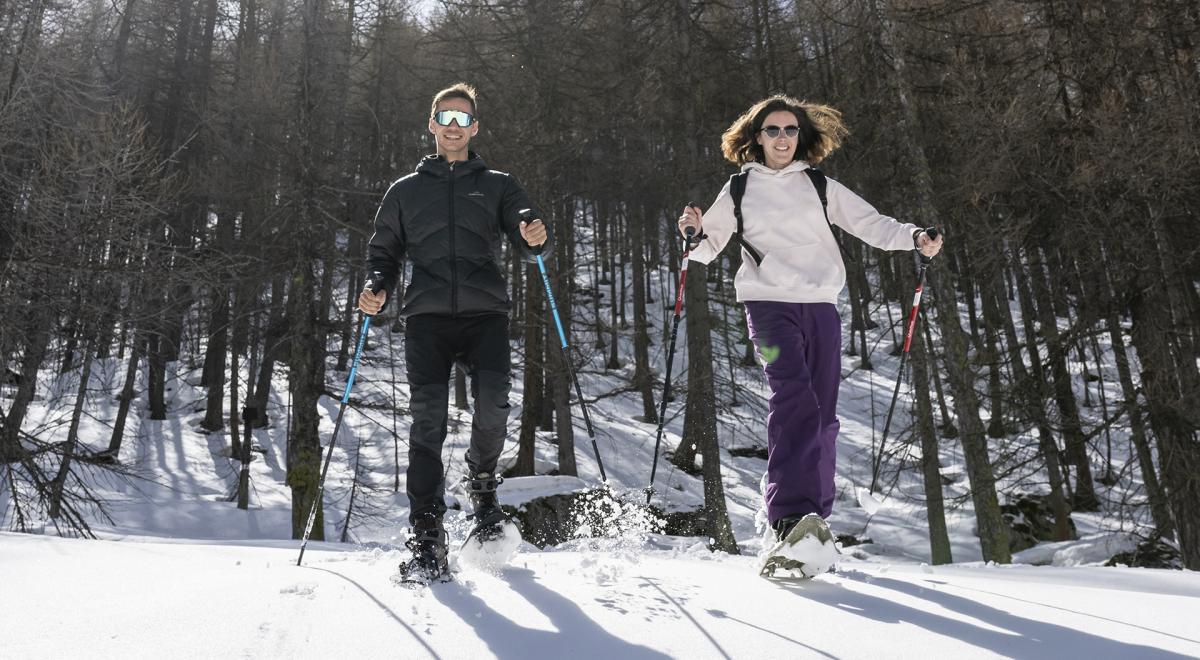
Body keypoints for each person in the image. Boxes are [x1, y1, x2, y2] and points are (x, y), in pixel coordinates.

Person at [677, 94, 943, 575]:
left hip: (820, 306)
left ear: (802, 136)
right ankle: (786, 517)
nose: (782, 138)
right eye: (772, 130)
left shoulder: (820, 185)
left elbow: (872, 224)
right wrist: (692, 232)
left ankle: (813, 522)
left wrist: (913, 237)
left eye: (790, 130)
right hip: (769, 305)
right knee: (793, 397)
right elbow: (707, 246)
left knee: (822, 417)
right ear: (756, 137)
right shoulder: (738, 189)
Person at [358, 83, 550, 584]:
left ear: (475, 129)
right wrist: (376, 285)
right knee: (427, 424)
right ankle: (426, 536)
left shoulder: (498, 184)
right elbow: (383, 253)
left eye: (463, 119)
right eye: (445, 116)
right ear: (431, 124)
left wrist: (535, 235)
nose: (453, 125)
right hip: (426, 318)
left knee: (493, 403)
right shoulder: (404, 190)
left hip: (485, 314)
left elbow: (527, 234)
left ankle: (482, 483)